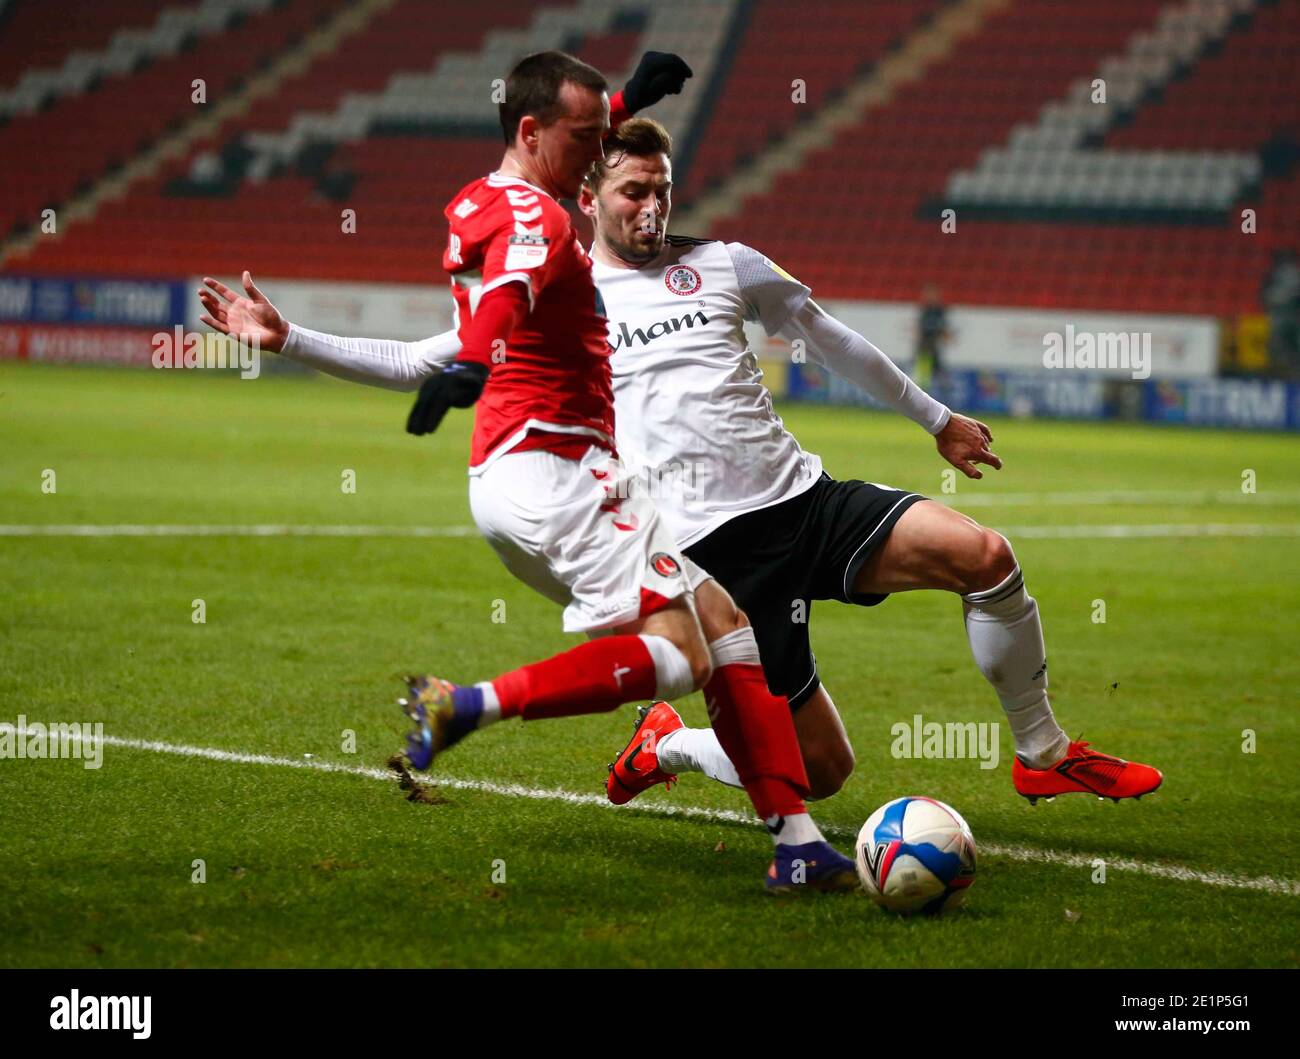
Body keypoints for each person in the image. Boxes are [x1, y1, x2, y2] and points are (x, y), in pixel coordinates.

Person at [198, 51, 857, 894]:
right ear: (534, 133)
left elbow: (411, 356)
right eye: (591, 136)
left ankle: (796, 842)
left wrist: (291, 338)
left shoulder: (498, 193)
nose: (603, 146)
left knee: (724, 615)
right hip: (559, 471)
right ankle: (466, 703)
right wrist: (477, 362)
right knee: (682, 654)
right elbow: (508, 288)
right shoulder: (536, 221)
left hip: (524, 477)